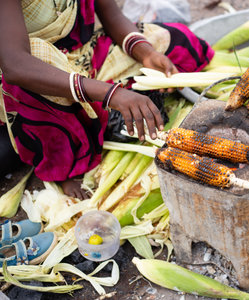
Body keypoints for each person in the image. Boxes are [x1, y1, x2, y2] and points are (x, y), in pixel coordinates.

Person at [0, 0, 214, 199]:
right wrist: (111, 94)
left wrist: (145, 52)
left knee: (177, 41)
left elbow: (112, 15)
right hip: (40, 72)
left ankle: (98, 116)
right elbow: (15, 66)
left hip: (85, 53)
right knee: (32, 88)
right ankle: (64, 166)